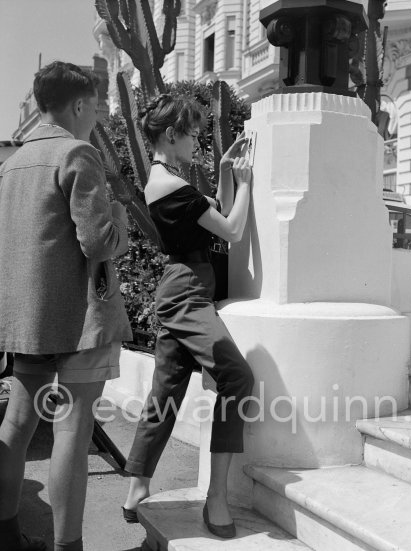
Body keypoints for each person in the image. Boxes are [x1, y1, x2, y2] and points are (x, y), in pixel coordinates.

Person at [0, 61, 132, 551]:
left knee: (17, 422)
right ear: (78, 105)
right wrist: (120, 218)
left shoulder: (10, 164)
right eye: (95, 108)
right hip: (79, 317)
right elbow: (99, 242)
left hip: (26, 318)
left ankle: (7, 532)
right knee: (73, 430)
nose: (96, 117)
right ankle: (67, 547)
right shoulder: (78, 153)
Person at [122, 94, 254, 539]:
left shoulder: (168, 184)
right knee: (238, 378)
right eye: (193, 132)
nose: (198, 139)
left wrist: (223, 177)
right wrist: (248, 183)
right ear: (170, 134)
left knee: (166, 391)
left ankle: (137, 487)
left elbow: (211, 210)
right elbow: (231, 229)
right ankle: (217, 498)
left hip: (181, 286)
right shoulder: (169, 186)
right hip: (188, 290)